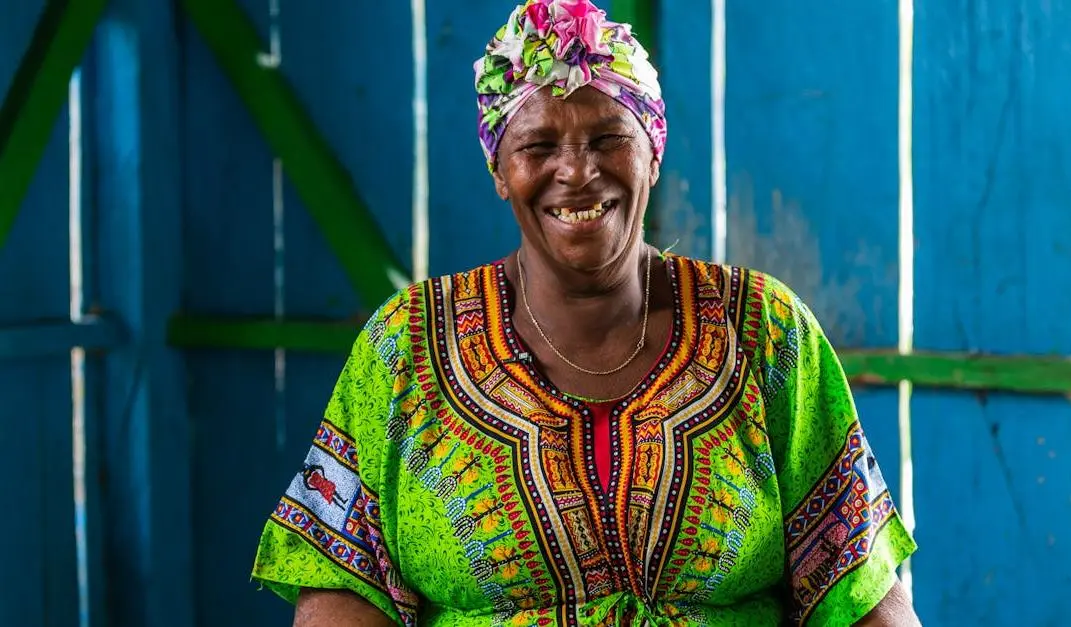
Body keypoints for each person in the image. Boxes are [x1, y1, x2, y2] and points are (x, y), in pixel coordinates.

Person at [251, 1, 919, 625]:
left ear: (652, 153)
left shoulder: (762, 331)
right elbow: (343, 589)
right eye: (538, 146)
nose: (576, 171)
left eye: (609, 138)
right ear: (499, 170)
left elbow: (856, 583)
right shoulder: (407, 346)